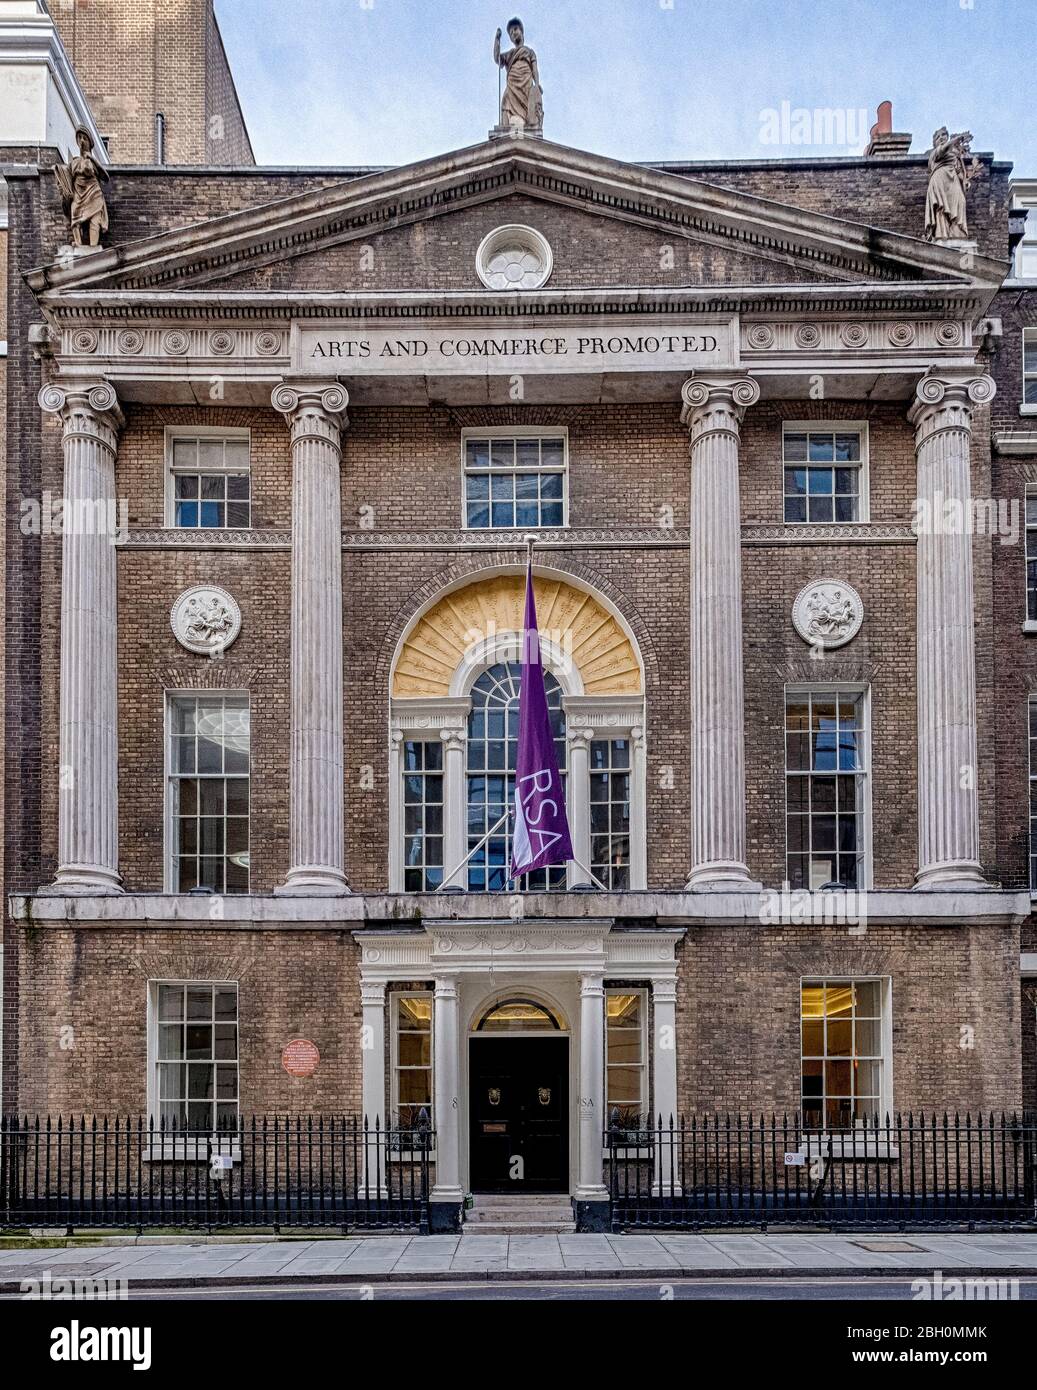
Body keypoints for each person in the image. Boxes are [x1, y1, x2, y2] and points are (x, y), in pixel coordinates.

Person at [56, 126, 110, 248]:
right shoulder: (74, 162)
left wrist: (92, 159)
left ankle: (93, 246)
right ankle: (78, 244)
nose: (81, 141)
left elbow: (105, 178)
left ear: (89, 142)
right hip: (78, 192)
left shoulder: (91, 161)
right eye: (79, 138)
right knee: (75, 215)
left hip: (93, 192)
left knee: (94, 220)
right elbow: (67, 178)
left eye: (84, 138)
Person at [924, 128, 975, 242]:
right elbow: (942, 150)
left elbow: (958, 170)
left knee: (960, 202)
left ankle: (957, 234)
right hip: (939, 180)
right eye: (938, 137)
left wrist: (965, 181)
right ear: (935, 142)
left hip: (953, 180)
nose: (941, 138)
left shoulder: (954, 154)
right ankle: (941, 234)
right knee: (941, 208)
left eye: (943, 135)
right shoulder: (934, 153)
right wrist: (955, 140)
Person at [493, 17, 544, 130]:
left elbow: (534, 69)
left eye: (515, 29)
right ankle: (508, 127)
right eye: (511, 33)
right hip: (512, 82)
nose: (513, 33)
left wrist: (537, 84)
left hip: (526, 79)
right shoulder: (510, 54)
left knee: (527, 107)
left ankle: (526, 124)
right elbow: (497, 58)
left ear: (521, 30)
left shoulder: (529, 52)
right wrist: (497, 40)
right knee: (506, 102)